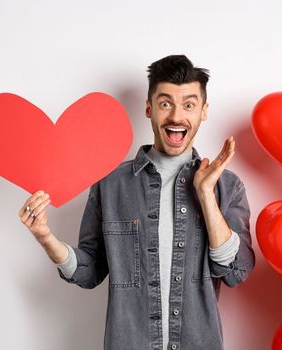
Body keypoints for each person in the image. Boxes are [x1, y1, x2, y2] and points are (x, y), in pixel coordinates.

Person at [17, 54, 254, 350]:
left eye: (189, 105)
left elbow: (235, 271)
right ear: (148, 108)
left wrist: (206, 195)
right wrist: (45, 237)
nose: (177, 117)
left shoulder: (227, 187)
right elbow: (89, 272)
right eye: (165, 103)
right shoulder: (110, 183)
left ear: (204, 111)